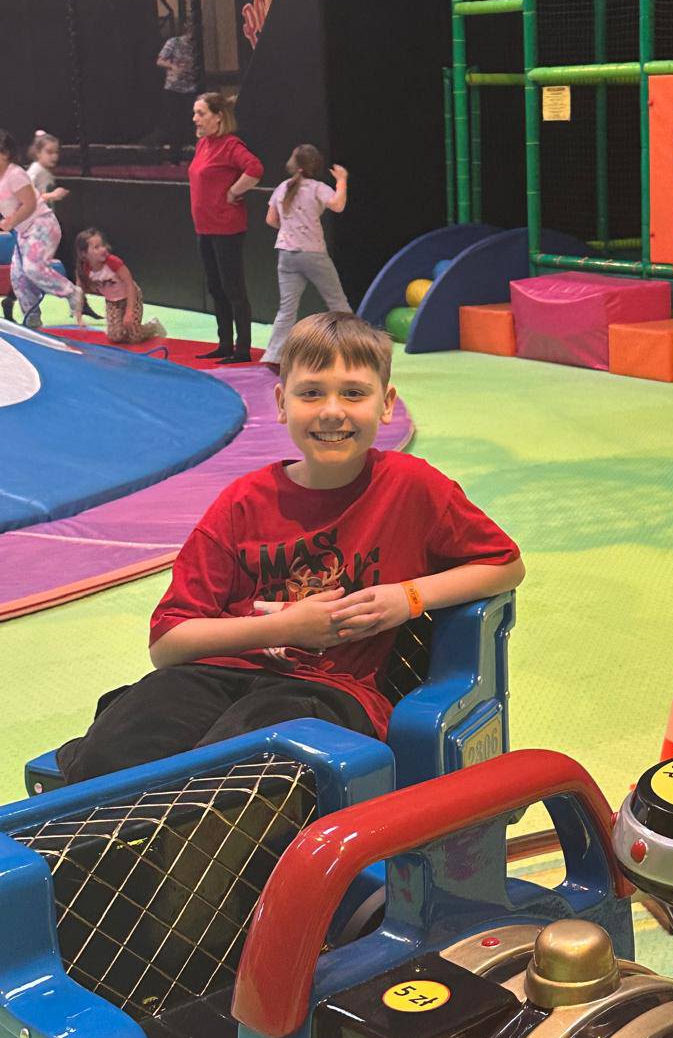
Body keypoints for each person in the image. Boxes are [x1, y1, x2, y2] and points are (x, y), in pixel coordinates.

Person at [56, 312, 526, 784]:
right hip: (211, 676)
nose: (332, 411)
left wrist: (409, 597)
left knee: (242, 765)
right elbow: (167, 646)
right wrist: (286, 627)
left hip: (327, 691)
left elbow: (505, 565)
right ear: (282, 403)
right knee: (109, 754)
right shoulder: (243, 502)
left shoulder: (411, 486)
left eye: (354, 393)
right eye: (311, 393)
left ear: (386, 404)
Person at [262, 146, 351, 370]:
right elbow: (338, 205)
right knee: (337, 302)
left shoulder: (283, 187)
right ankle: (354, 350)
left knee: (287, 309)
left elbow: (271, 219)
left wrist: (290, 229)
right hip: (313, 254)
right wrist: (342, 180)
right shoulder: (318, 188)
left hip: (286, 254)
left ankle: (274, 355)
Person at [190, 92, 263, 364]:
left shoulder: (230, 145)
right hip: (204, 228)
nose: (195, 118)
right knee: (215, 287)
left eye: (201, 113)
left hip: (226, 228)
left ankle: (242, 348)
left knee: (233, 289)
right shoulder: (203, 144)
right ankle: (224, 343)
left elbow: (255, 168)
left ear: (218, 116)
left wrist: (234, 191)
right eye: (195, 113)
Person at [3, 131, 102, 324]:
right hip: (24, 230)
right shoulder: (28, 172)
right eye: (49, 152)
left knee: (33, 268)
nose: (54, 156)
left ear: (6, 154)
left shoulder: (15, 174)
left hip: (41, 225)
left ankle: (73, 293)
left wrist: (11, 221)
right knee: (19, 278)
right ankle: (32, 320)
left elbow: (30, 203)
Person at [74, 228, 166, 344]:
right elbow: (79, 292)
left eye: (102, 245)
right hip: (113, 301)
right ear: (84, 254)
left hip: (130, 296)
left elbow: (130, 285)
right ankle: (120, 328)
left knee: (134, 337)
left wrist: (129, 312)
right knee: (115, 336)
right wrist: (79, 315)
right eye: (96, 247)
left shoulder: (113, 262)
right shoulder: (84, 270)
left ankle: (152, 326)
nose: (103, 249)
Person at [156, 26, 196, 159]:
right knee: (175, 122)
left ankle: (193, 156)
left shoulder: (196, 46)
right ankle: (175, 157)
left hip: (191, 87)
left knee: (192, 121)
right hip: (174, 88)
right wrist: (173, 67)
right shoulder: (174, 42)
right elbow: (160, 60)